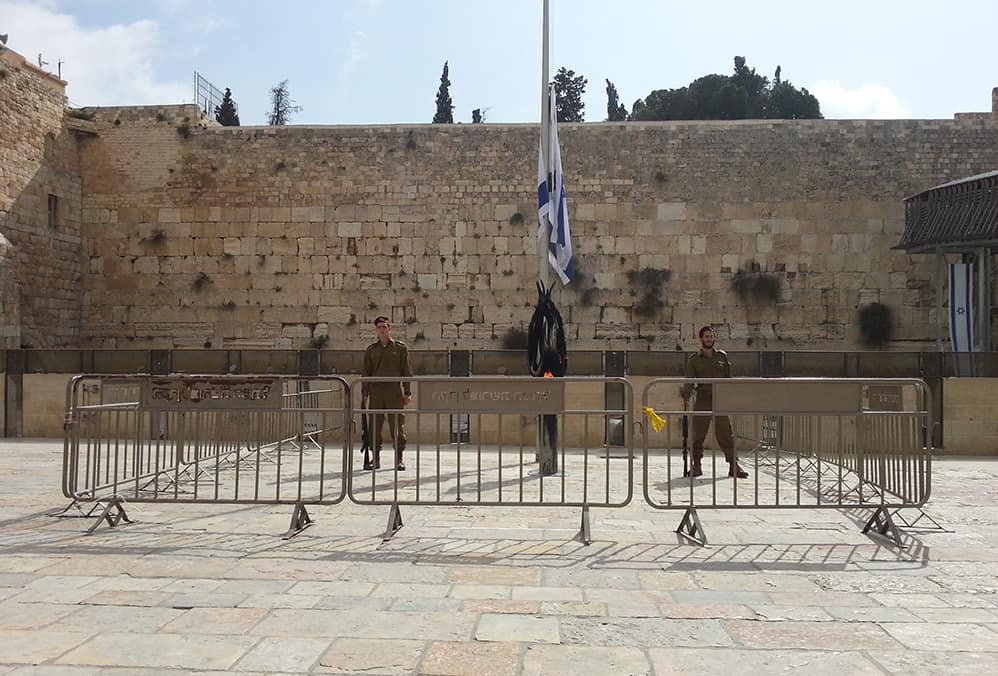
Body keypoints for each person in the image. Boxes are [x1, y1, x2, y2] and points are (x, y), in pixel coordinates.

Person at [680, 326, 748, 479]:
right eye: (706, 336)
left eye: (711, 336)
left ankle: (733, 465)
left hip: (719, 398)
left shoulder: (722, 357)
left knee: (725, 433)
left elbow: (728, 378)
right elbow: (689, 380)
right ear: (701, 339)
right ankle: (696, 465)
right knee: (698, 433)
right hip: (703, 398)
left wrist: (729, 397)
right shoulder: (694, 360)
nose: (709, 339)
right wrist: (686, 396)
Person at [361, 316, 413, 470]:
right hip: (376, 392)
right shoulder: (371, 350)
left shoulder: (400, 348)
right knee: (375, 426)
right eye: (379, 327)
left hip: (394, 391)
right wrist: (365, 394)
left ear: (389, 328)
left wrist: (407, 392)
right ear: (376, 330)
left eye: (384, 326)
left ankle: (399, 459)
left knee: (396, 425)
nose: (382, 329)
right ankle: (375, 459)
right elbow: (366, 373)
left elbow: (407, 371)